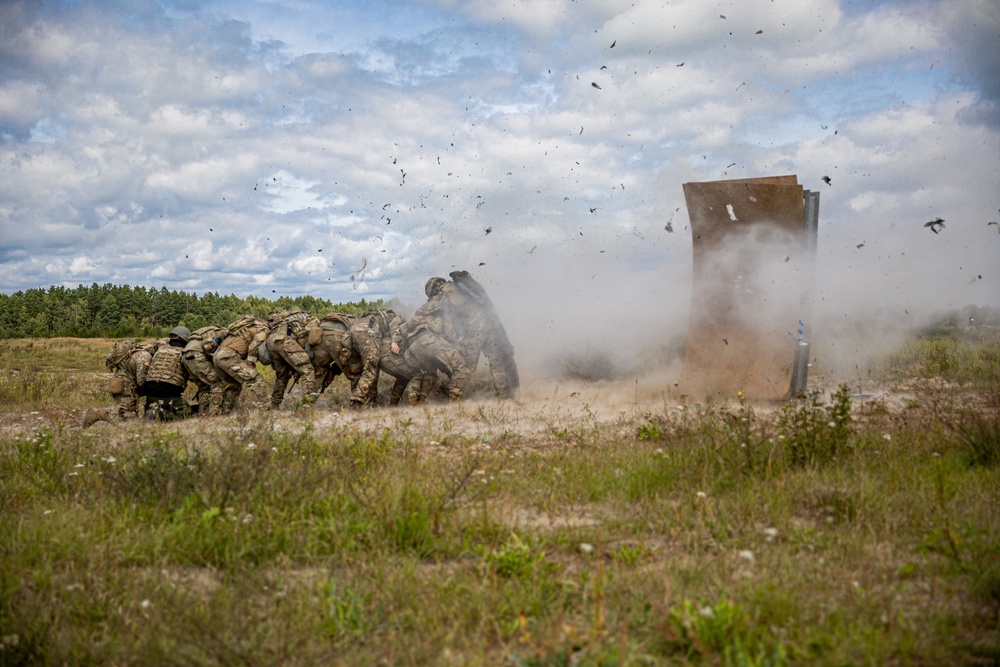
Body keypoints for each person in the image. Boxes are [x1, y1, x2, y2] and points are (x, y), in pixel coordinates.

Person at [396, 277, 474, 403]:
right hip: (429, 340)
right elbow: (449, 332)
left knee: (429, 373)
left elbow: (404, 329)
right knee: (459, 366)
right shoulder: (442, 304)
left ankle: (415, 404)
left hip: (413, 349)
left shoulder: (424, 311)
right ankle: (455, 403)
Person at [342, 308, 405, 408]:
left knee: (361, 369)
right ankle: (357, 400)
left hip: (352, 331)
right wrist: (395, 342)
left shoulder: (372, 314)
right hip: (368, 332)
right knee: (371, 368)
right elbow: (394, 326)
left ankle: (371, 400)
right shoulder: (397, 317)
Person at [213, 314, 270, 409]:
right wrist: (251, 361)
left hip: (218, 356)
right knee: (256, 380)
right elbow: (255, 344)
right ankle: (265, 410)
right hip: (229, 356)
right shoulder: (263, 328)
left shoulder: (246, 327)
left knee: (233, 386)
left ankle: (223, 414)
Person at [266, 310, 320, 409]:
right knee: (307, 370)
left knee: (283, 375)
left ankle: (274, 404)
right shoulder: (309, 318)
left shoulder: (286, 319)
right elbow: (309, 330)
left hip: (271, 342)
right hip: (284, 340)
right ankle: (306, 405)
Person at [140, 326, 195, 421]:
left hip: (149, 389)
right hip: (169, 390)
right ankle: (160, 414)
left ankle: (153, 410)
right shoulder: (183, 353)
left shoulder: (159, 350)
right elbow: (192, 375)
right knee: (187, 412)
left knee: (162, 402)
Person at [181, 324, 238, 417]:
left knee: (204, 387)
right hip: (197, 355)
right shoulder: (223, 333)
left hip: (185, 356)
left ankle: (203, 414)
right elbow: (207, 347)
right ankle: (214, 414)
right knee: (218, 383)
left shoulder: (209, 331)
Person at [103, 337, 157, 420]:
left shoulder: (137, 352)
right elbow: (141, 381)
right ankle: (97, 414)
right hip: (125, 389)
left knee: (123, 414)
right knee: (128, 418)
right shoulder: (145, 356)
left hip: (120, 384)